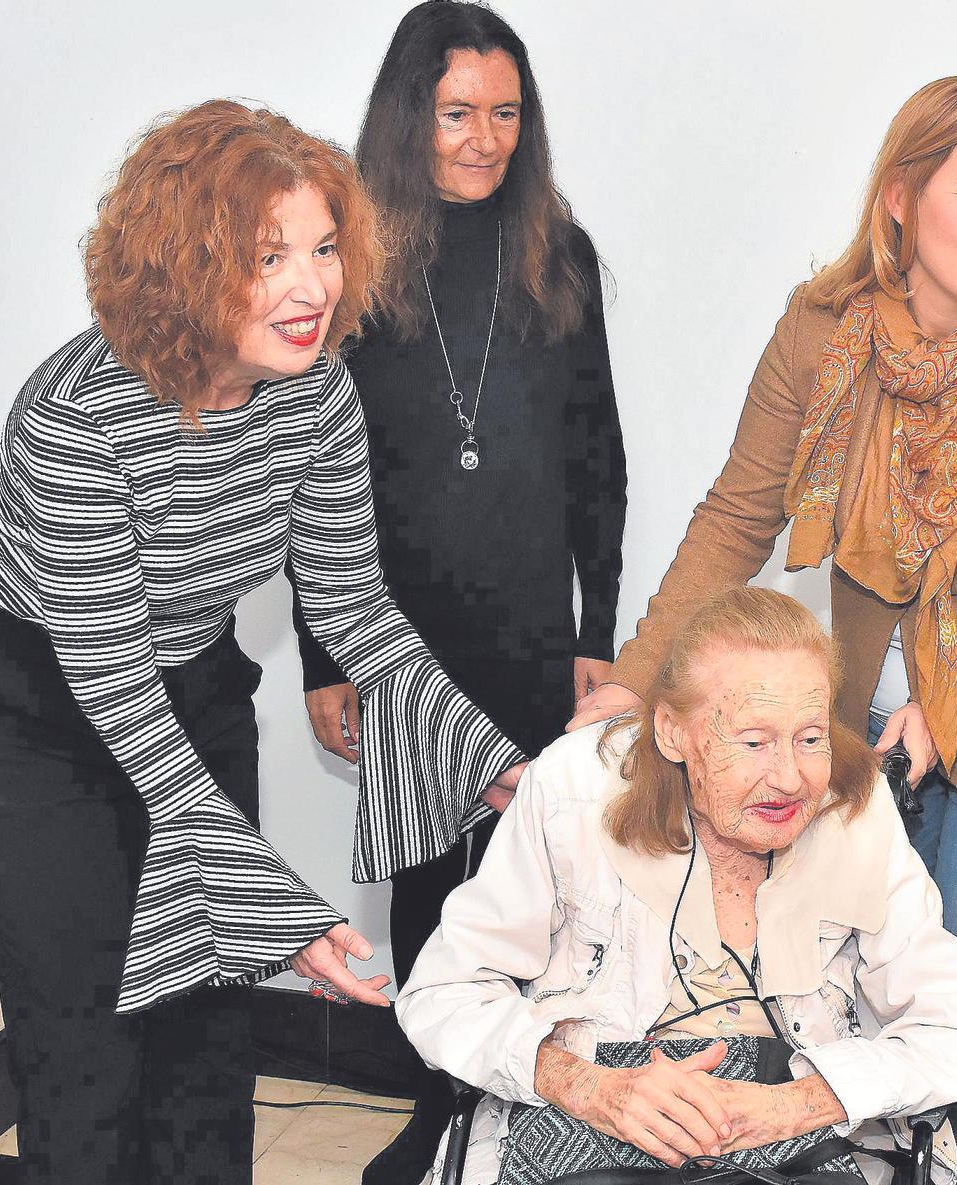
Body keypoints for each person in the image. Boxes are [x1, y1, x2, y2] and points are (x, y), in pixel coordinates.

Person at [0, 100, 524, 1185]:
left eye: (325, 248)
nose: (313, 287)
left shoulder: (319, 397)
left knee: (207, 1019)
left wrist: (491, 766)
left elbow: (353, 604)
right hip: (6, 703)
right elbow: (109, 686)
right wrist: (272, 902)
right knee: (90, 1024)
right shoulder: (76, 416)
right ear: (183, 269)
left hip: (183, 669)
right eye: (269, 257)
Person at [570, 75, 957, 1185]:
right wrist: (635, 682)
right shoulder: (825, 333)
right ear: (900, 199)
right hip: (860, 729)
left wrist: (950, 710)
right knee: (862, 999)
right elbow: (738, 516)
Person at [289, 3, 626, 1178]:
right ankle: (441, 1113)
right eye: (455, 113)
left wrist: (601, 632)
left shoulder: (560, 254)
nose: (482, 138)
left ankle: (526, 1113)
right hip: (395, 635)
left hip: (536, 632)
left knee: (539, 884)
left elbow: (599, 460)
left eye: (504, 113)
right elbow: (306, 474)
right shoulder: (351, 262)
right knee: (432, 886)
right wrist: (322, 654)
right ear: (407, 118)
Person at [399, 588, 957, 1185]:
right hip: (599, 1098)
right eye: (753, 741)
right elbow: (440, 994)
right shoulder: (572, 789)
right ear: (672, 732)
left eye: (810, 736)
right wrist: (590, 1088)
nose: (789, 777)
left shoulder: (854, 806)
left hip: (792, 1109)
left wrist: (789, 1107)